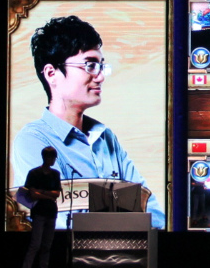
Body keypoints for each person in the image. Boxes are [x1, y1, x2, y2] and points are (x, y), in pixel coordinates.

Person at [12, 15, 165, 228]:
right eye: (90, 65)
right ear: (51, 73)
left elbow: (152, 213)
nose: (100, 76)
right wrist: (120, 201)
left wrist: (90, 205)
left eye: (101, 66)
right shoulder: (33, 140)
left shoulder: (106, 138)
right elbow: (60, 222)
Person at [20, 146, 62, 268]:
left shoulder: (55, 174)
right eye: (52, 157)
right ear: (46, 158)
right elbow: (32, 194)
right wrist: (48, 196)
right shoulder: (34, 173)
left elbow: (57, 193)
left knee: (47, 245)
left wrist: (41, 192)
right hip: (39, 212)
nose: (53, 160)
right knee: (35, 244)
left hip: (51, 212)